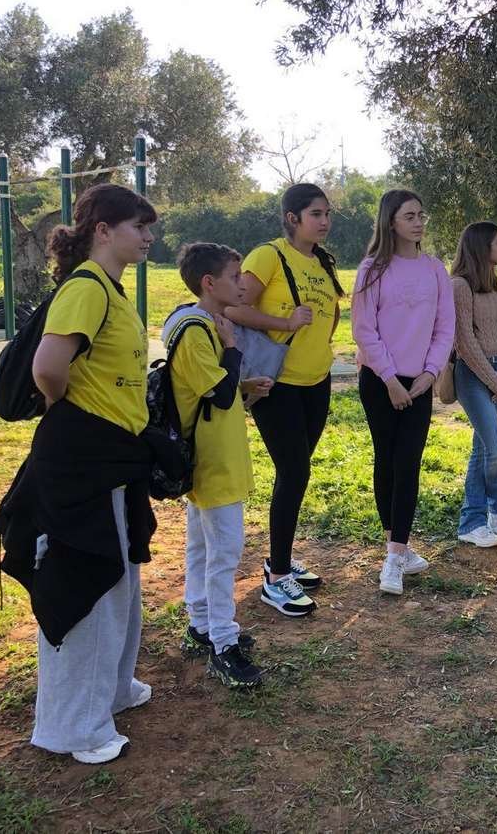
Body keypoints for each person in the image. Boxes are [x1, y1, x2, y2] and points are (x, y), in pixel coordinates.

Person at [0, 183, 157, 765]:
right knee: (87, 580)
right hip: (84, 456)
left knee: (119, 578)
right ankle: (74, 728)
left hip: (111, 455)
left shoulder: (107, 289)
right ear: (103, 230)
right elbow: (48, 366)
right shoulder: (87, 287)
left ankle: (112, 690)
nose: (147, 236)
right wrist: (70, 407)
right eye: (139, 225)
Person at [227, 183, 345, 618]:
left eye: (328, 213)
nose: (325, 221)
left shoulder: (321, 261)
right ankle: (277, 578)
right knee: (294, 471)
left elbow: (328, 316)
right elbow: (233, 308)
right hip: (276, 383)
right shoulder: (268, 256)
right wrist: (284, 322)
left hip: (317, 380)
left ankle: (280, 558)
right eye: (316, 213)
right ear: (292, 217)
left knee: (296, 472)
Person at [167, 242, 272, 688]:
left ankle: (203, 622)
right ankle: (223, 643)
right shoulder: (198, 329)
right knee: (224, 552)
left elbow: (213, 387)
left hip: (215, 455)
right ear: (209, 283)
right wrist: (232, 347)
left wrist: (244, 381)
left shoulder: (198, 324)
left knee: (203, 546)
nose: (242, 284)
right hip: (212, 461)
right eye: (234, 276)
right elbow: (219, 393)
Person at [351, 189, 454, 595]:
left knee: (409, 462)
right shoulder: (372, 269)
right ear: (390, 221)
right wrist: (391, 379)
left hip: (420, 380)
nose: (418, 222)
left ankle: (395, 555)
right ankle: (395, 542)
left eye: (421, 215)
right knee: (388, 459)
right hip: (380, 381)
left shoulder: (434, 269)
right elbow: (364, 329)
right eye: (409, 216)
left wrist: (430, 373)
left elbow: (445, 326)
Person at [450, 221, 497, 548]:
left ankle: (473, 522)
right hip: (473, 376)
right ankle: (496, 505)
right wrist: (495, 381)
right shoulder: (459, 286)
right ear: (481, 247)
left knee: (483, 448)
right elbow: (464, 342)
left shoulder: (494, 283)